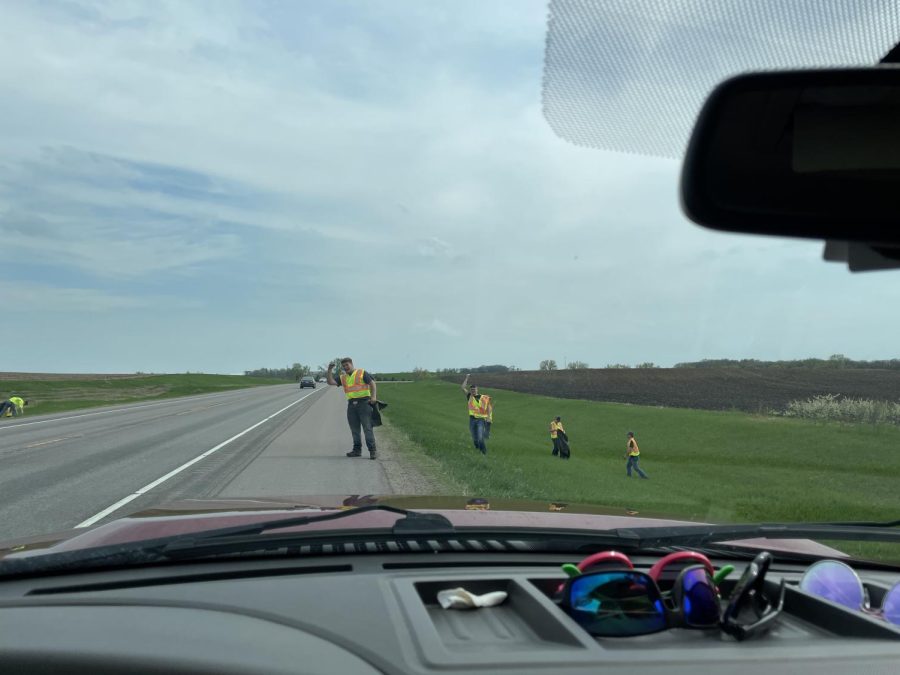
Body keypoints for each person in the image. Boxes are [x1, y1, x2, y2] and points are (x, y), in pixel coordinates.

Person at [326, 357, 378, 460]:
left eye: (347, 365)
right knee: (355, 430)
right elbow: (330, 382)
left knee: (367, 428)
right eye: (344, 366)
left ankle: (372, 451)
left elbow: (372, 383)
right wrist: (329, 370)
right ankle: (357, 451)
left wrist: (373, 397)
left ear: (351, 364)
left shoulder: (361, 373)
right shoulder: (343, 377)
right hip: (351, 406)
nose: (346, 367)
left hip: (364, 404)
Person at [460, 374, 489, 454]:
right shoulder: (469, 396)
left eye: (474, 389)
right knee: (475, 438)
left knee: (480, 437)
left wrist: (487, 418)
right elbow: (462, 387)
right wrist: (467, 378)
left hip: (480, 420)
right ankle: (478, 450)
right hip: (472, 420)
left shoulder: (482, 397)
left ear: (477, 390)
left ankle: (484, 453)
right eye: (472, 390)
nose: (473, 391)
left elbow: (487, 408)